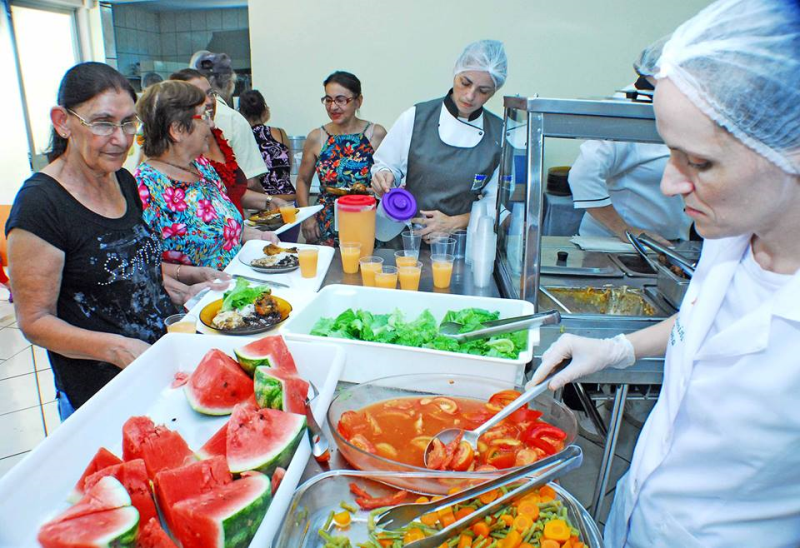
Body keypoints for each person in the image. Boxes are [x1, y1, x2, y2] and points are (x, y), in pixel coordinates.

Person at [529, 1, 800, 545]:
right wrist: (619, 349)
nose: (670, 184)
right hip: (637, 516)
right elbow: (707, 324)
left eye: (698, 162)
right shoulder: (731, 235)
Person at [4, 63, 225, 418]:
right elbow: (35, 321)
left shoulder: (122, 180)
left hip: (160, 366)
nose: (121, 139)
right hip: (102, 390)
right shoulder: (41, 204)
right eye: (103, 123)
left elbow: (126, 263)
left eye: (128, 123)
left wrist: (184, 280)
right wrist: (117, 348)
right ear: (62, 122)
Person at [371, 40, 507, 240]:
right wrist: (384, 175)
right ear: (456, 72)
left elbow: (497, 203)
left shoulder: (499, 134)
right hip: (406, 242)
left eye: (483, 91)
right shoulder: (416, 117)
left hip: (461, 244)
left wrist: (456, 222)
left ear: (494, 91)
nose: (470, 96)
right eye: (465, 83)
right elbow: (387, 165)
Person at [134, 81, 278, 270]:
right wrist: (186, 276)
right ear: (177, 130)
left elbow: (221, 227)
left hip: (233, 284)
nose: (211, 124)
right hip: (197, 290)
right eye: (204, 116)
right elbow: (141, 265)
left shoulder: (202, 167)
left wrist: (253, 235)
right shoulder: (145, 186)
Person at [169, 69, 280, 215]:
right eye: (199, 97)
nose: (209, 101)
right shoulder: (176, 150)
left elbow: (230, 193)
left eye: (210, 93)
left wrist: (270, 201)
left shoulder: (217, 135)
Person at [296, 71, 387, 246]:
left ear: (358, 101)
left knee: (366, 261)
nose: (333, 107)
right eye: (328, 100)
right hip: (326, 222)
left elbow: (390, 176)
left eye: (341, 100)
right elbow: (302, 180)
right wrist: (306, 217)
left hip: (367, 219)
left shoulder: (375, 134)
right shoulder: (317, 137)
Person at [568, 140, 692, 243]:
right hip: (617, 244)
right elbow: (583, 175)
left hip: (674, 243)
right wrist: (624, 230)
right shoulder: (630, 129)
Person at [189, 51, 269, 203]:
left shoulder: (219, 124)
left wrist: (269, 200)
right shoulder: (234, 120)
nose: (208, 103)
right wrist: (267, 200)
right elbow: (250, 182)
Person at [238, 90, 296, 202]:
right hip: (288, 197)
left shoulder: (242, 137)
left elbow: (248, 180)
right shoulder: (280, 133)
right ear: (265, 110)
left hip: (260, 201)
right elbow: (288, 167)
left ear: (240, 113)